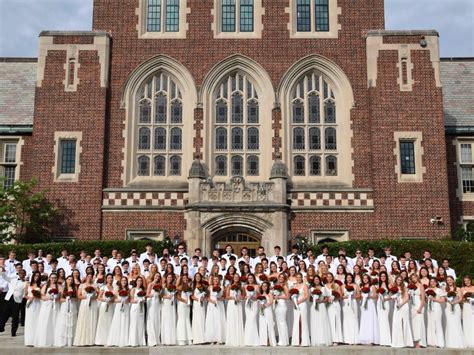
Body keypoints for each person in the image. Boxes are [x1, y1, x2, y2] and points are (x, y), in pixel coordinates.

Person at [0, 266, 27, 337]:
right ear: (18, 274)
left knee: (15, 317)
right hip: (9, 298)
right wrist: (2, 271)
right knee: (4, 314)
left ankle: (13, 332)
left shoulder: (25, 283)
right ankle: (1, 327)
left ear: (25, 275)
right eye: (20, 273)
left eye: (23, 273)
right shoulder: (13, 279)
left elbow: (25, 292)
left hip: (17, 301)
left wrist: (23, 297)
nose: (21, 274)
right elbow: (5, 277)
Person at [73, 273, 99, 346]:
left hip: (93, 304)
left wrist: (93, 296)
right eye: (88, 277)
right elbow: (78, 296)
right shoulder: (82, 285)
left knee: (92, 319)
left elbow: (98, 294)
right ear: (86, 277)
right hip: (84, 304)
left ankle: (91, 340)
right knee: (84, 319)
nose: (90, 278)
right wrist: (87, 296)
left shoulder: (95, 285)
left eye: (91, 277)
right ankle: (83, 340)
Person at [54, 275, 78, 347]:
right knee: (64, 322)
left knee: (72, 321)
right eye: (69, 279)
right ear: (66, 280)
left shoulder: (75, 288)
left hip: (72, 306)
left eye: (71, 280)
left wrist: (72, 299)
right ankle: (63, 341)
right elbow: (60, 299)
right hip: (65, 306)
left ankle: (71, 341)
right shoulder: (62, 288)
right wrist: (66, 299)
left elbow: (76, 298)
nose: (70, 281)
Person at [107, 277, 130, 347]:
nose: (124, 281)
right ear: (120, 282)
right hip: (119, 306)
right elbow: (114, 300)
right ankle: (116, 340)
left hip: (126, 307)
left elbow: (129, 300)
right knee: (118, 321)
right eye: (122, 280)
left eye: (125, 280)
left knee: (125, 321)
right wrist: (121, 300)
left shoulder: (129, 290)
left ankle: (124, 340)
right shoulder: (117, 289)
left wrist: (125, 300)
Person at [391, 276, 413, 348]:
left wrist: (400, 304)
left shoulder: (404, 288)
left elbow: (407, 298)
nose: (399, 281)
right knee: (396, 323)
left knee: (405, 323)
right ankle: (397, 342)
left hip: (403, 306)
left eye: (400, 280)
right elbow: (392, 297)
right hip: (396, 306)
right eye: (398, 280)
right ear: (396, 280)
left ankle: (407, 342)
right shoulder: (394, 288)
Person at [444, 276, 466, 348]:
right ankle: (450, 342)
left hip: (456, 307)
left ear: (453, 280)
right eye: (448, 280)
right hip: (448, 307)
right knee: (450, 324)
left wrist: (455, 302)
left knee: (457, 323)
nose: (449, 281)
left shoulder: (458, 288)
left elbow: (460, 298)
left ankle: (458, 342)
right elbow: (444, 298)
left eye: (450, 280)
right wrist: (449, 301)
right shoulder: (445, 289)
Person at [95, 273, 115, 346]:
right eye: (108, 278)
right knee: (103, 322)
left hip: (111, 306)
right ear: (106, 279)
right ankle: (101, 340)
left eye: (111, 278)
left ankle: (109, 339)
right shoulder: (103, 287)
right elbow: (99, 297)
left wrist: (111, 300)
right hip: (104, 305)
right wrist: (105, 299)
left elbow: (114, 298)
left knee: (110, 321)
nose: (110, 279)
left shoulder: (113, 288)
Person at [205, 275, 226, 344]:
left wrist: (219, 299)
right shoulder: (210, 287)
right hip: (211, 305)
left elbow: (224, 297)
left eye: (217, 279)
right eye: (214, 279)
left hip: (219, 304)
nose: (216, 281)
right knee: (212, 320)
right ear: (212, 280)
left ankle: (219, 338)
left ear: (219, 280)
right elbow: (207, 297)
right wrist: (211, 301)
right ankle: (212, 339)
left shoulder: (222, 287)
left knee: (219, 320)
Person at [225, 273, 244, 346]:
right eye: (235, 277)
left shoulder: (241, 286)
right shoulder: (229, 286)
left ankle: (238, 339)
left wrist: (239, 298)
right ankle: (231, 339)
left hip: (238, 304)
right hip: (231, 304)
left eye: (237, 277)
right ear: (233, 278)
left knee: (238, 319)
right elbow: (226, 296)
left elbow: (243, 295)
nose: (236, 278)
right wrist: (234, 297)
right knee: (232, 320)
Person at [409, 274, 427, 348]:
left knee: (419, 323)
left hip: (419, 305)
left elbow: (423, 298)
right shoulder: (410, 286)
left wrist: (420, 308)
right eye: (412, 278)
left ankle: (420, 342)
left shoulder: (420, 286)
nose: (414, 279)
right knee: (414, 324)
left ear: (417, 277)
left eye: (415, 277)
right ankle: (415, 340)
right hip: (412, 305)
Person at [128, 276, 146, 347]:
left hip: (141, 308)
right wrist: (138, 300)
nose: (140, 282)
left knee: (140, 323)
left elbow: (144, 299)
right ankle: (133, 341)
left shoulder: (142, 289)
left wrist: (143, 300)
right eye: (138, 281)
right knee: (134, 323)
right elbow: (131, 300)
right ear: (136, 282)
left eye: (141, 281)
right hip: (135, 307)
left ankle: (140, 341)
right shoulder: (133, 289)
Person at [258, 281, 276, 346]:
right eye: (263, 286)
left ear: (268, 287)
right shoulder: (260, 294)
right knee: (262, 325)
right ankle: (263, 341)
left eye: (265, 286)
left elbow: (271, 301)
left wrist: (265, 305)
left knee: (269, 325)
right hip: (261, 311)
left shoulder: (269, 294)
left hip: (268, 310)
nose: (264, 287)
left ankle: (269, 340)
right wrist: (260, 305)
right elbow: (258, 302)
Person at [176, 274, 192, 345]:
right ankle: (181, 339)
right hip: (182, 305)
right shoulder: (180, 287)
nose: (185, 279)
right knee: (182, 319)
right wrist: (184, 301)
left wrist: (189, 301)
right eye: (184, 278)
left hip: (187, 306)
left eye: (186, 278)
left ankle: (188, 338)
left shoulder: (189, 287)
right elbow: (178, 297)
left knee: (187, 319)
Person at [461, 275, 474, 348]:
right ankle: (467, 341)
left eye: (468, 280)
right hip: (466, 306)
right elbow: (461, 299)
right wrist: (465, 299)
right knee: (467, 323)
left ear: (470, 280)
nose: (467, 282)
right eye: (465, 281)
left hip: (473, 306)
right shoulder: (462, 288)